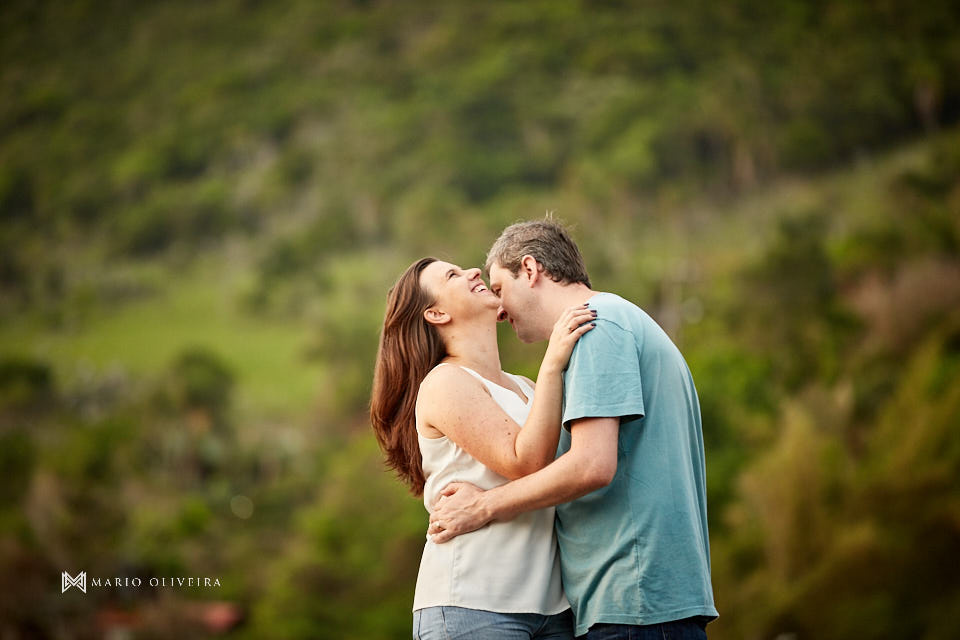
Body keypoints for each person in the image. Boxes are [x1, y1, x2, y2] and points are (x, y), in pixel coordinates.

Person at [428, 220, 719, 639]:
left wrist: (484, 506)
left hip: (632, 600)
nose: (500, 309)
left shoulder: (597, 326)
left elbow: (591, 465)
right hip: (646, 601)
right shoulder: (620, 321)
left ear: (530, 270)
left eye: (499, 288)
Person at [370, 256, 597, 640]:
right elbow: (525, 462)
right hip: (473, 605)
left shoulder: (527, 388)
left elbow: (569, 473)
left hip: (552, 607)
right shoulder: (445, 383)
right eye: (453, 276)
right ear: (437, 313)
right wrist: (552, 363)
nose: (474, 272)